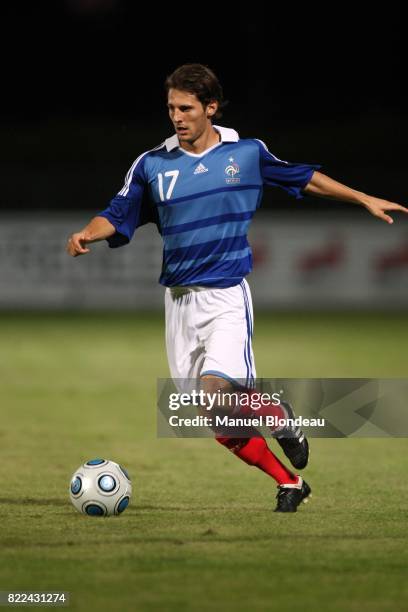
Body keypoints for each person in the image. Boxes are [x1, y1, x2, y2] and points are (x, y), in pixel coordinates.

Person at [66, 64, 408, 513]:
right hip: (179, 303)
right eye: (171, 107)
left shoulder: (245, 154)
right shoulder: (153, 164)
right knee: (216, 420)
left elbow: (302, 176)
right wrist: (87, 233)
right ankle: (290, 482)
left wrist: (362, 197)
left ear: (210, 108)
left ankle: (280, 418)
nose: (177, 116)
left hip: (226, 295)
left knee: (216, 393)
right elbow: (117, 212)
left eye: (186, 108)